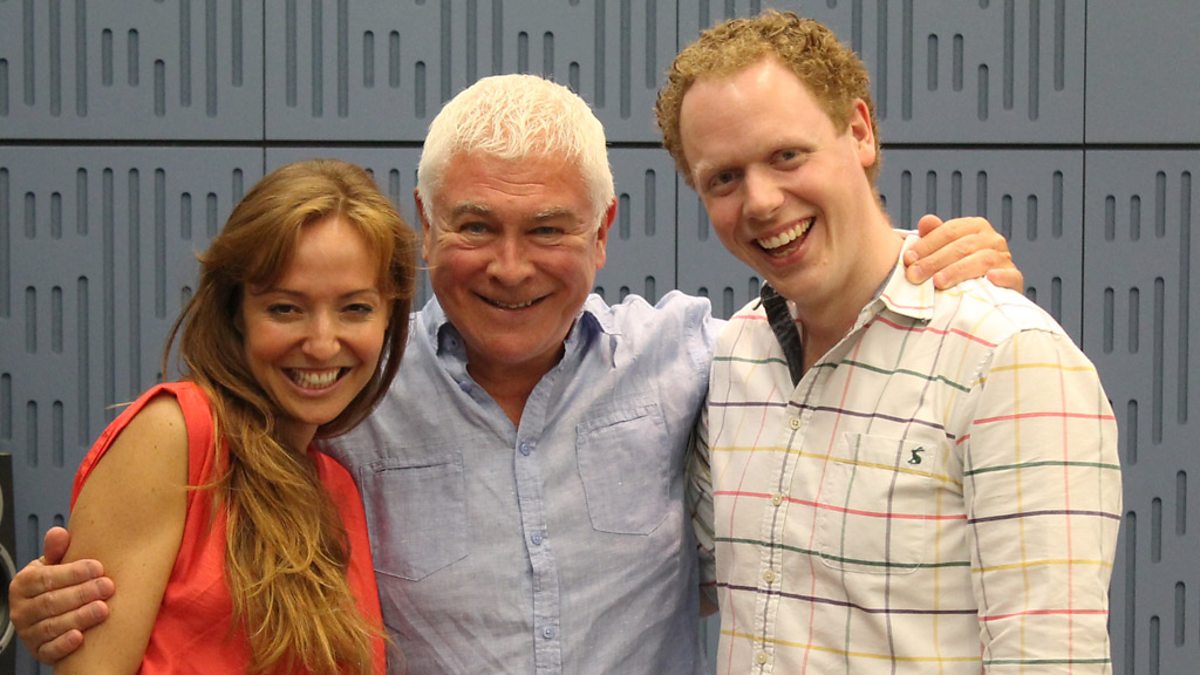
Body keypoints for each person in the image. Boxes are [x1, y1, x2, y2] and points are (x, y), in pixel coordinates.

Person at [12, 76, 1019, 673]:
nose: (509, 266)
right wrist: (60, 600)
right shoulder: (347, 399)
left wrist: (941, 273)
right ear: (425, 224)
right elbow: (183, 560)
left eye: (547, 229)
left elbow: (846, 348)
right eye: (475, 226)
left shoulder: (697, 357)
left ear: (604, 230)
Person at [655, 10, 1122, 673]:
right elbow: (686, 582)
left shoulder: (1007, 358)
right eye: (723, 178)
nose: (759, 201)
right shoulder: (737, 356)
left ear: (859, 131)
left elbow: (1051, 660)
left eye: (786, 155)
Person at [47, 159, 417, 674]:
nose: (321, 343)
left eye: (355, 308)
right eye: (285, 308)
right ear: (235, 312)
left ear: (390, 317)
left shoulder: (337, 486)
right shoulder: (175, 434)